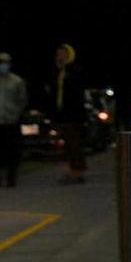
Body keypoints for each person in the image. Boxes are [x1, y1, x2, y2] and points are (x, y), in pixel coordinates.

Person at [0, 52, 27, 187]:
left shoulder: (17, 81)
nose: (2, 65)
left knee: (12, 151)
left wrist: (16, 115)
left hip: (11, 121)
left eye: (5, 62)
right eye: (0, 62)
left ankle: (11, 178)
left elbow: (22, 100)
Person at [49, 43, 87, 183]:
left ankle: (77, 172)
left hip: (74, 115)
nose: (59, 56)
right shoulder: (58, 72)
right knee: (67, 145)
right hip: (61, 115)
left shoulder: (74, 71)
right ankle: (72, 171)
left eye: (63, 54)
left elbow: (76, 93)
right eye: (58, 54)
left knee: (74, 144)